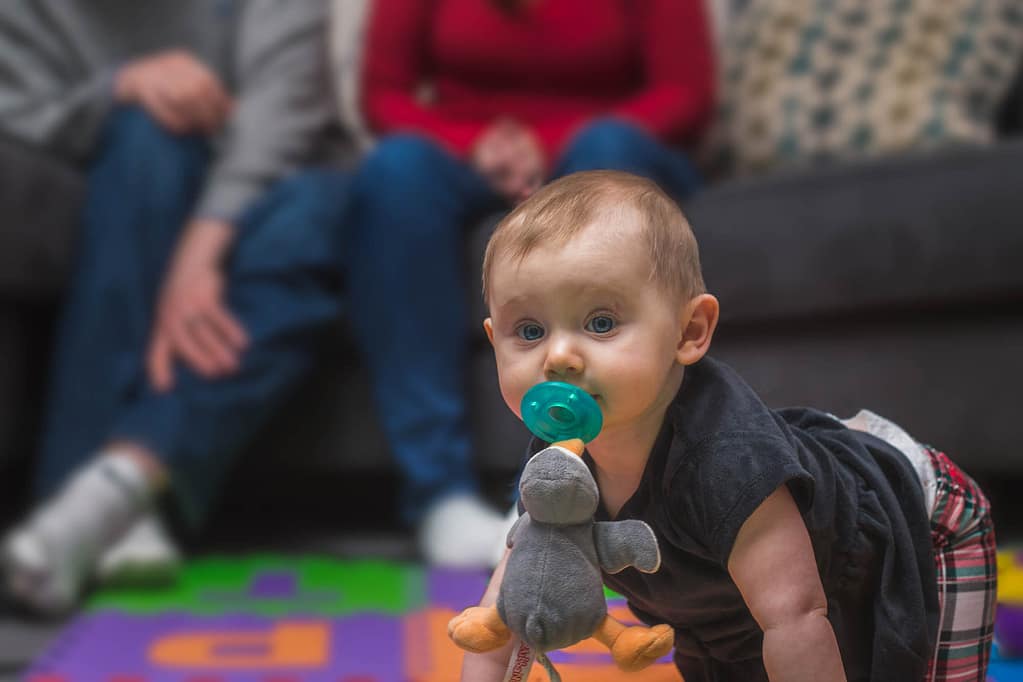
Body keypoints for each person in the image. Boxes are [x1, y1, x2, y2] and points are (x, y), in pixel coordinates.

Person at [462, 170, 997, 681]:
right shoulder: (558, 460)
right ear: (494, 340)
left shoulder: (728, 463)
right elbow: (504, 614)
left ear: (689, 331)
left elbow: (797, 618)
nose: (559, 357)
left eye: (601, 323)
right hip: (741, 605)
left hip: (923, 522)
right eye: (528, 331)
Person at [0, 0, 350, 614]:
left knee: (325, 209)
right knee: (149, 135)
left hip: (261, 187)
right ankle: (105, 504)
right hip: (113, 174)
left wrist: (203, 244)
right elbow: (19, 105)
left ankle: (113, 483)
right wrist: (115, 89)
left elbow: (283, 111)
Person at [343, 0, 716, 567]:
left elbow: (684, 94)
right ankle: (441, 497)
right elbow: (384, 96)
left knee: (606, 154)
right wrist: (476, 144)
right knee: (395, 173)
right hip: (466, 159)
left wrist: (554, 144)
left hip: (603, 150)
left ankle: (578, 491)